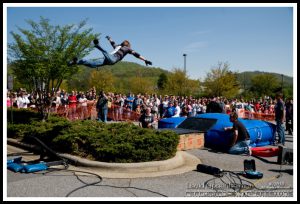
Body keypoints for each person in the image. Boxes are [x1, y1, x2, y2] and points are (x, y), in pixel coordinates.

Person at [68, 36, 152, 68]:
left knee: (105, 51)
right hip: (106, 59)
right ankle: (75, 62)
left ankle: (97, 45)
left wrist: (145, 60)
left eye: (124, 43)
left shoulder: (128, 49)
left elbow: (136, 55)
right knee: (90, 63)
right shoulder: (118, 46)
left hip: (113, 59)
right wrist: (109, 38)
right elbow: (113, 43)